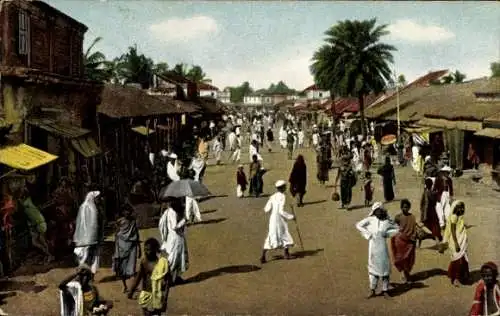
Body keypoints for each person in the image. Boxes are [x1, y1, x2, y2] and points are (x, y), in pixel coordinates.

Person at [355, 202, 399, 298]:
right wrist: (368, 234)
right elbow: (358, 225)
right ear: (374, 211)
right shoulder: (370, 220)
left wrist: (387, 234)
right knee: (373, 269)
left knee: (385, 269)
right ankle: (372, 289)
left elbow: (396, 228)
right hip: (373, 248)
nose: (379, 212)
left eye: (380, 210)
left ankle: (385, 290)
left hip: (382, 248)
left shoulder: (386, 221)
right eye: (377, 210)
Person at [128, 238, 170, 316]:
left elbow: (167, 282)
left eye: (149, 250)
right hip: (146, 293)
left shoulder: (162, 263)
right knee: (146, 313)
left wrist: (165, 299)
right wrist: (131, 290)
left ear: (155, 250)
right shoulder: (144, 262)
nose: (146, 252)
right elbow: (138, 278)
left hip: (158, 294)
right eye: (145, 250)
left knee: (157, 313)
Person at [260, 180, 295, 264]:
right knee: (284, 233)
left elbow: (266, 209)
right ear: (283, 187)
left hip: (272, 219)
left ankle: (263, 256)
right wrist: (291, 217)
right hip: (279, 219)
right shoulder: (283, 197)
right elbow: (281, 211)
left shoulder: (272, 196)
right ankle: (286, 254)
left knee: (271, 235)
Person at [158, 199, 188, 285]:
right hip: (175, 238)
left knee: (176, 257)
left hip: (172, 238)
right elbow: (175, 227)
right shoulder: (172, 212)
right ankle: (167, 279)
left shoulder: (168, 211)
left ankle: (175, 277)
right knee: (174, 258)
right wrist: (184, 220)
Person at [112, 202, 141, 293]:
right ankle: (125, 286)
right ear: (123, 212)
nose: (127, 213)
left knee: (132, 269)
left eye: (128, 211)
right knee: (122, 269)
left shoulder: (133, 221)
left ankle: (132, 286)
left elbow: (136, 234)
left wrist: (139, 247)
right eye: (125, 211)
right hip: (121, 247)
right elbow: (116, 235)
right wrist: (116, 249)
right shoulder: (119, 222)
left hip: (132, 246)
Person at [20, 188, 54, 263]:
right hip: (37, 223)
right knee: (36, 242)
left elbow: (23, 205)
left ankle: (49, 255)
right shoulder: (27, 202)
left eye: (21, 194)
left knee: (41, 241)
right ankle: (48, 254)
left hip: (39, 223)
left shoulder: (27, 202)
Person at [73, 191, 102, 275]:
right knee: (85, 256)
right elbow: (81, 223)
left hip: (95, 236)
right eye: (97, 198)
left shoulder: (98, 208)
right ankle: (83, 274)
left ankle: (91, 274)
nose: (99, 199)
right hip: (86, 237)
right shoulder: (84, 207)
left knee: (94, 256)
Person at [443, 200, 470, 286]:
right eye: (459, 207)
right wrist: (456, 243)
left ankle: (462, 276)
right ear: (455, 208)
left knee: (463, 260)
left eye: (462, 207)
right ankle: (455, 278)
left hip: (461, 241)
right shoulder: (454, 217)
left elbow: (461, 227)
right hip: (456, 242)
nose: (461, 209)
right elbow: (453, 231)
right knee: (457, 261)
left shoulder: (460, 217)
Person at [391, 199, 417, 283]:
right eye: (403, 207)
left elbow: (414, 229)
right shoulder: (398, 217)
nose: (405, 208)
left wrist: (413, 237)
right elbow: (394, 227)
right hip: (401, 242)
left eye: (407, 207)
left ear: (409, 207)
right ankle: (405, 275)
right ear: (401, 207)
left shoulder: (412, 217)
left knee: (409, 260)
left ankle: (406, 274)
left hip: (410, 242)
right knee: (402, 259)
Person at [420, 178, 442, 247]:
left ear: (426, 185)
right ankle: (438, 243)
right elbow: (437, 201)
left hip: (426, 213)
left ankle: (419, 245)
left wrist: (423, 213)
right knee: (435, 228)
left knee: (424, 228)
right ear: (432, 184)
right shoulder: (434, 193)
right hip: (433, 212)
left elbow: (422, 204)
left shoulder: (425, 193)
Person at [435, 166, 454, 231]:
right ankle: (441, 224)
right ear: (443, 173)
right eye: (446, 172)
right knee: (440, 210)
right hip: (440, 196)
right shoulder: (438, 179)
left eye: (448, 173)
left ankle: (448, 223)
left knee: (448, 210)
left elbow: (451, 189)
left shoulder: (449, 180)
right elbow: (435, 188)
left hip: (447, 195)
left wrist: (451, 197)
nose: (447, 174)